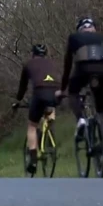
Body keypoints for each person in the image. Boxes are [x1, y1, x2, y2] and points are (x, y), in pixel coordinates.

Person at [60, 17, 103, 162]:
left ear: (80, 29)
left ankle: (81, 120)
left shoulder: (74, 37)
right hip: (102, 70)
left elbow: (67, 65)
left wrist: (63, 88)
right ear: (93, 28)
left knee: (73, 93)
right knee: (102, 111)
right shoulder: (101, 37)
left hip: (83, 68)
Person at [12, 44, 61, 175]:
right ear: (45, 54)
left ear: (33, 54)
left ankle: (33, 160)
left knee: (32, 126)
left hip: (40, 93)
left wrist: (18, 100)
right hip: (56, 92)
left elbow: (23, 86)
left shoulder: (29, 64)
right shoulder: (52, 64)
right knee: (50, 109)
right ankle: (49, 128)